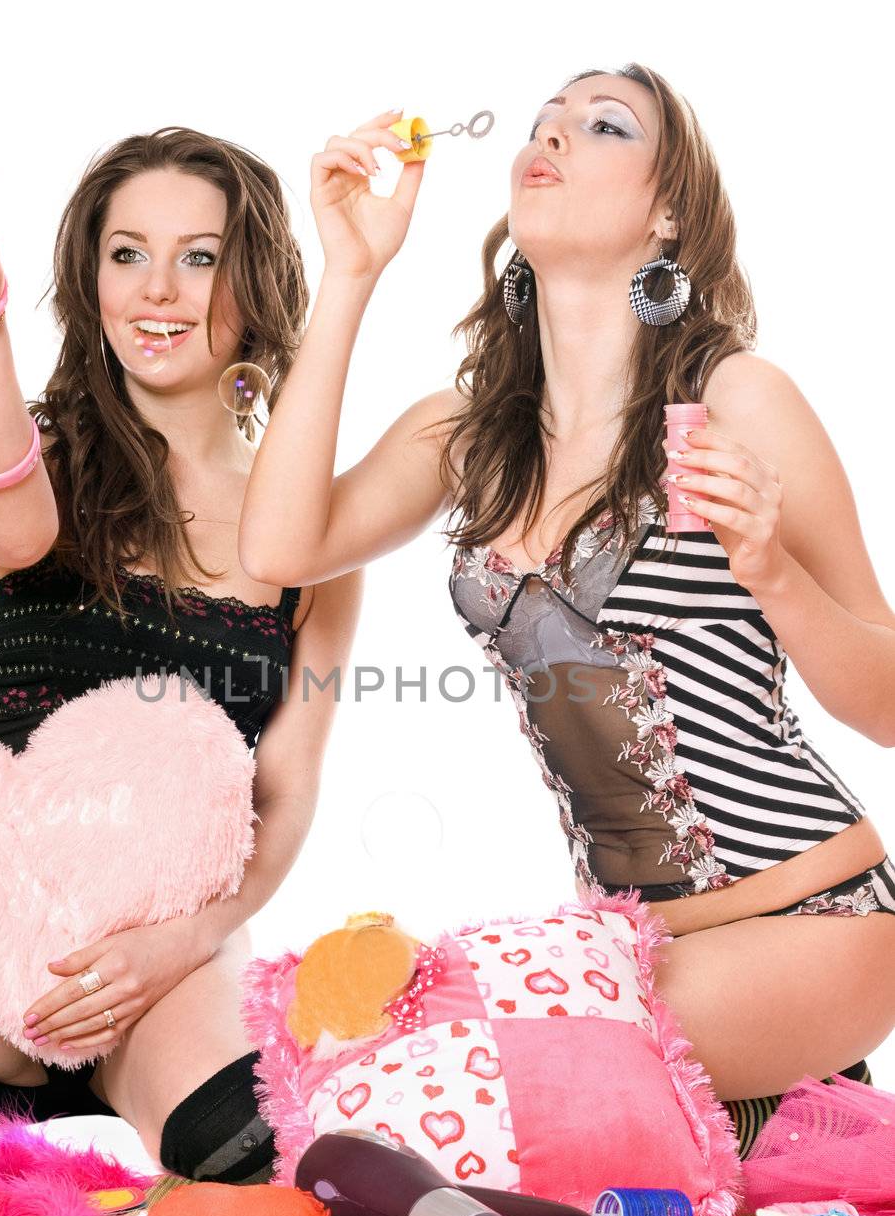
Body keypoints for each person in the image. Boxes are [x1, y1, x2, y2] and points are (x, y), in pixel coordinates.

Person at [237, 65, 895, 1155]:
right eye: (542, 124)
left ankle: (769, 1105)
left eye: (601, 126)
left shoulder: (735, 399)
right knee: (366, 1036)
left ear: (667, 208)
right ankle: (774, 1124)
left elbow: (886, 704)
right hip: (634, 954)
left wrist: (769, 566)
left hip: (809, 922)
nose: (550, 138)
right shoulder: (470, 429)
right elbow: (280, 545)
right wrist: (350, 270)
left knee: (431, 1069)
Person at [0, 127, 362, 1184]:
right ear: (90, 276)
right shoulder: (41, 454)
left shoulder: (309, 538)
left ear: (253, 282)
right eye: (127, 253)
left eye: (198, 256)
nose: (156, 289)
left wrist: (179, 941)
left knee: (250, 1154)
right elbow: (11, 525)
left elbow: (288, 793)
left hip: (152, 969)